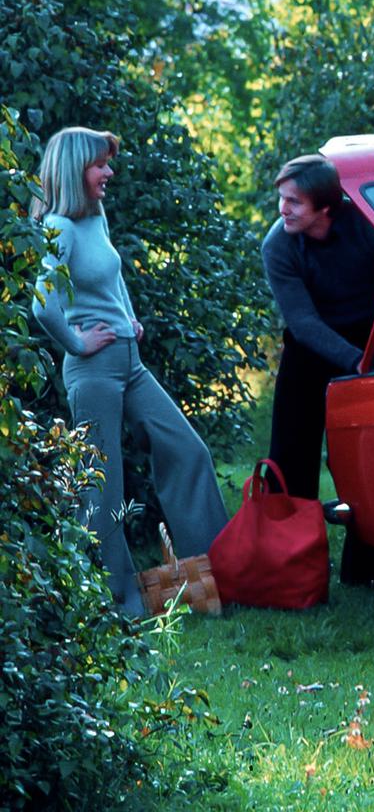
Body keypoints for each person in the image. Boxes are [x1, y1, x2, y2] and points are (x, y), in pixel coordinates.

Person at [31, 126, 228, 615]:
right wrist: (76, 342)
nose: (109, 173)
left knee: (187, 449)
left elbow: (111, 276)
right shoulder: (58, 227)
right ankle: (118, 603)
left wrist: (128, 316)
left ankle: (219, 574)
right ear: (76, 170)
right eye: (100, 165)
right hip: (93, 369)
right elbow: (43, 305)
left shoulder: (93, 216)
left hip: (130, 363)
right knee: (102, 487)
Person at [262, 154, 374, 500]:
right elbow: (303, 322)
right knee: (290, 460)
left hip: (370, 337)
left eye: (294, 202)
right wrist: (356, 362)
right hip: (310, 350)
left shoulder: (365, 223)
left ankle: (370, 546)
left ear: (325, 208)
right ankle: (293, 547)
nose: (283, 209)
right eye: (282, 198)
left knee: (369, 454)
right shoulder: (278, 245)